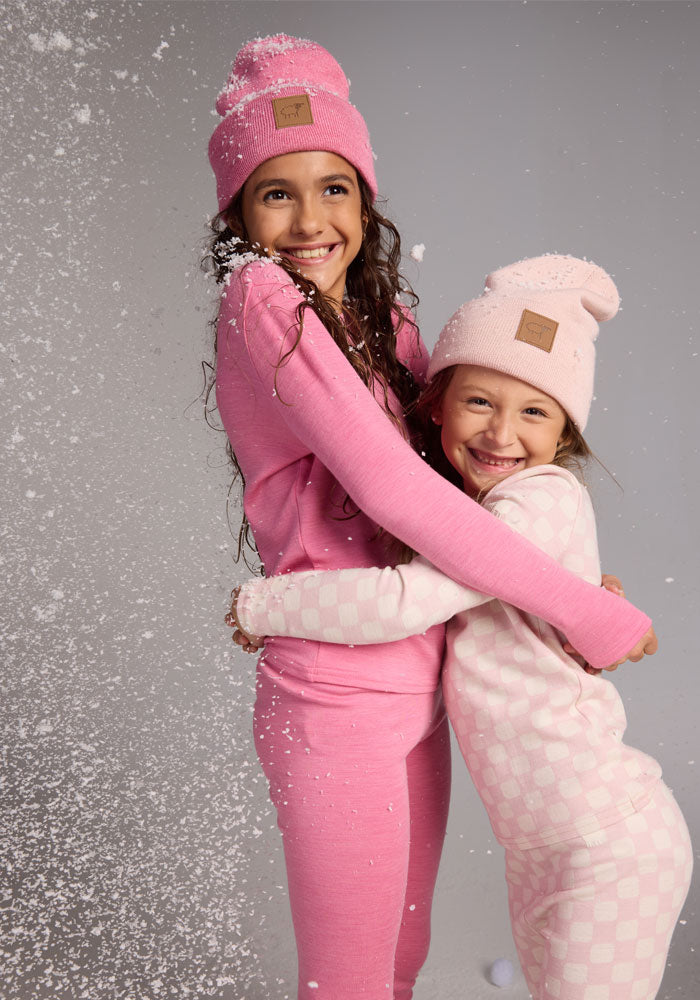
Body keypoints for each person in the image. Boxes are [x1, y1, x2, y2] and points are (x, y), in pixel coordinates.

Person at [208, 35, 656, 1000]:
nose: (309, 220)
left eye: (334, 187)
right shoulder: (260, 298)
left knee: (400, 967)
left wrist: (567, 581)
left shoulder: (380, 316)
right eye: (274, 191)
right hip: (335, 695)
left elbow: (468, 472)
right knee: (353, 980)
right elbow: (394, 492)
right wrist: (587, 615)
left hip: (423, 678)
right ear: (238, 211)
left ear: (366, 200)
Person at [232, 255, 692, 1000]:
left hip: (607, 844)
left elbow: (409, 600)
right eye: (481, 401)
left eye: (536, 412)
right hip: (547, 847)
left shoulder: (534, 504)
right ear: (437, 404)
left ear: (566, 431)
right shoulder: (481, 513)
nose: (502, 433)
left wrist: (262, 607)